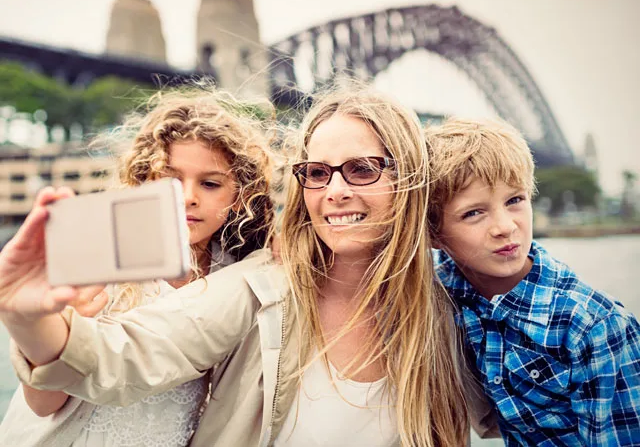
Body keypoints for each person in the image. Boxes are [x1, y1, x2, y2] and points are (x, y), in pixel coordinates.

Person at [0, 86, 497, 447]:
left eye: (363, 169)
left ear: (408, 179)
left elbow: (514, 416)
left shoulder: (449, 312)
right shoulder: (260, 289)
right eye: (317, 173)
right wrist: (28, 318)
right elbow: (122, 354)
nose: (336, 190)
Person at [0, 87, 275, 447]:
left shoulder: (236, 278)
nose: (187, 195)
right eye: (170, 179)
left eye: (210, 184)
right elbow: (42, 403)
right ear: (145, 180)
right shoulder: (103, 263)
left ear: (238, 197)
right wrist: (57, 322)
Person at [424, 116, 640, 446]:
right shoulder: (446, 286)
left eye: (515, 200)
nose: (505, 226)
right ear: (435, 236)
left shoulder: (594, 328)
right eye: (474, 213)